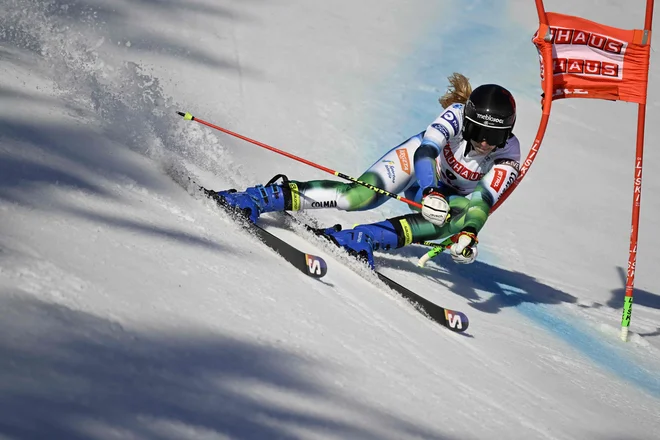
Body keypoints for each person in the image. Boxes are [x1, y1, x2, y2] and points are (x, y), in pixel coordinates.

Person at [211, 73, 521, 268]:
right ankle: (264, 196)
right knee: (357, 198)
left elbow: (484, 197)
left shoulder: (509, 152)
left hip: (450, 195)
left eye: (494, 136)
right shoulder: (454, 116)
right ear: (467, 121)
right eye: (479, 131)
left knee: (458, 218)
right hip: (421, 165)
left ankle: (364, 238)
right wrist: (429, 190)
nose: (484, 142)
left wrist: (470, 232)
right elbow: (426, 151)